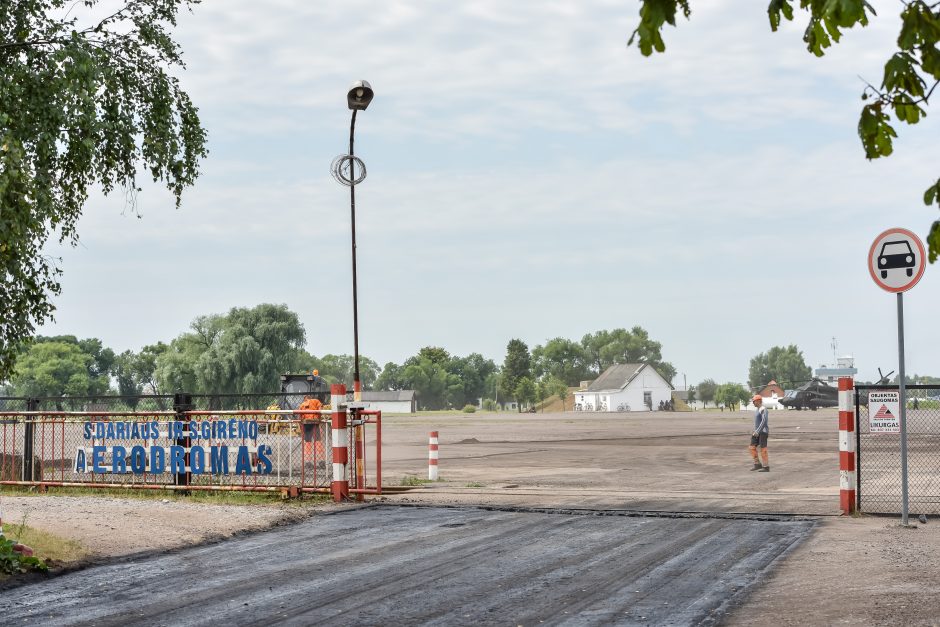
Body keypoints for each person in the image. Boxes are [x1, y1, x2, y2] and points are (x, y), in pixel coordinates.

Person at [749, 394, 770, 472]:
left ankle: (766, 466)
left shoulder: (763, 409)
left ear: (758, 401)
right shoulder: (757, 410)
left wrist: (757, 431)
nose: (753, 403)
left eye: (754, 401)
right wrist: (755, 431)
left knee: (763, 449)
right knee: (752, 447)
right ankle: (757, 464)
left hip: (763, 432)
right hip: (757, 432)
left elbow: (764, 421)